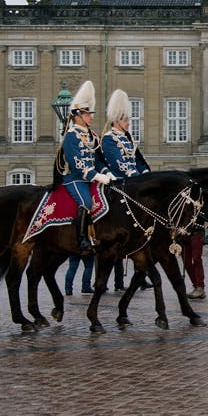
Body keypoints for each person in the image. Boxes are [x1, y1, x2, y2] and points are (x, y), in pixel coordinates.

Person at [102, 89, 162, 293]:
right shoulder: (109, 139)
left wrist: (146, 174)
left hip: (134, 182)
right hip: (120, 184)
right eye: (126, 120)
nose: (129, 123)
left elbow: (138, 160)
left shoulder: (128, 139)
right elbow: (119, 164)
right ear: (117, 120)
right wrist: (139, 179)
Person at [55, 80, 114, 252]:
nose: (91, 117)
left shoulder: (91, 136)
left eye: (90, 114)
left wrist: (107, 173)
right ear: (78, 116)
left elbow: (97, 160)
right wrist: (97, 176)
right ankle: (81, 239)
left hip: (92, 177)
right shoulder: (71, 136)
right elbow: (77, 164)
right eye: (87, 114)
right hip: (75, 179)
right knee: (86, 201)